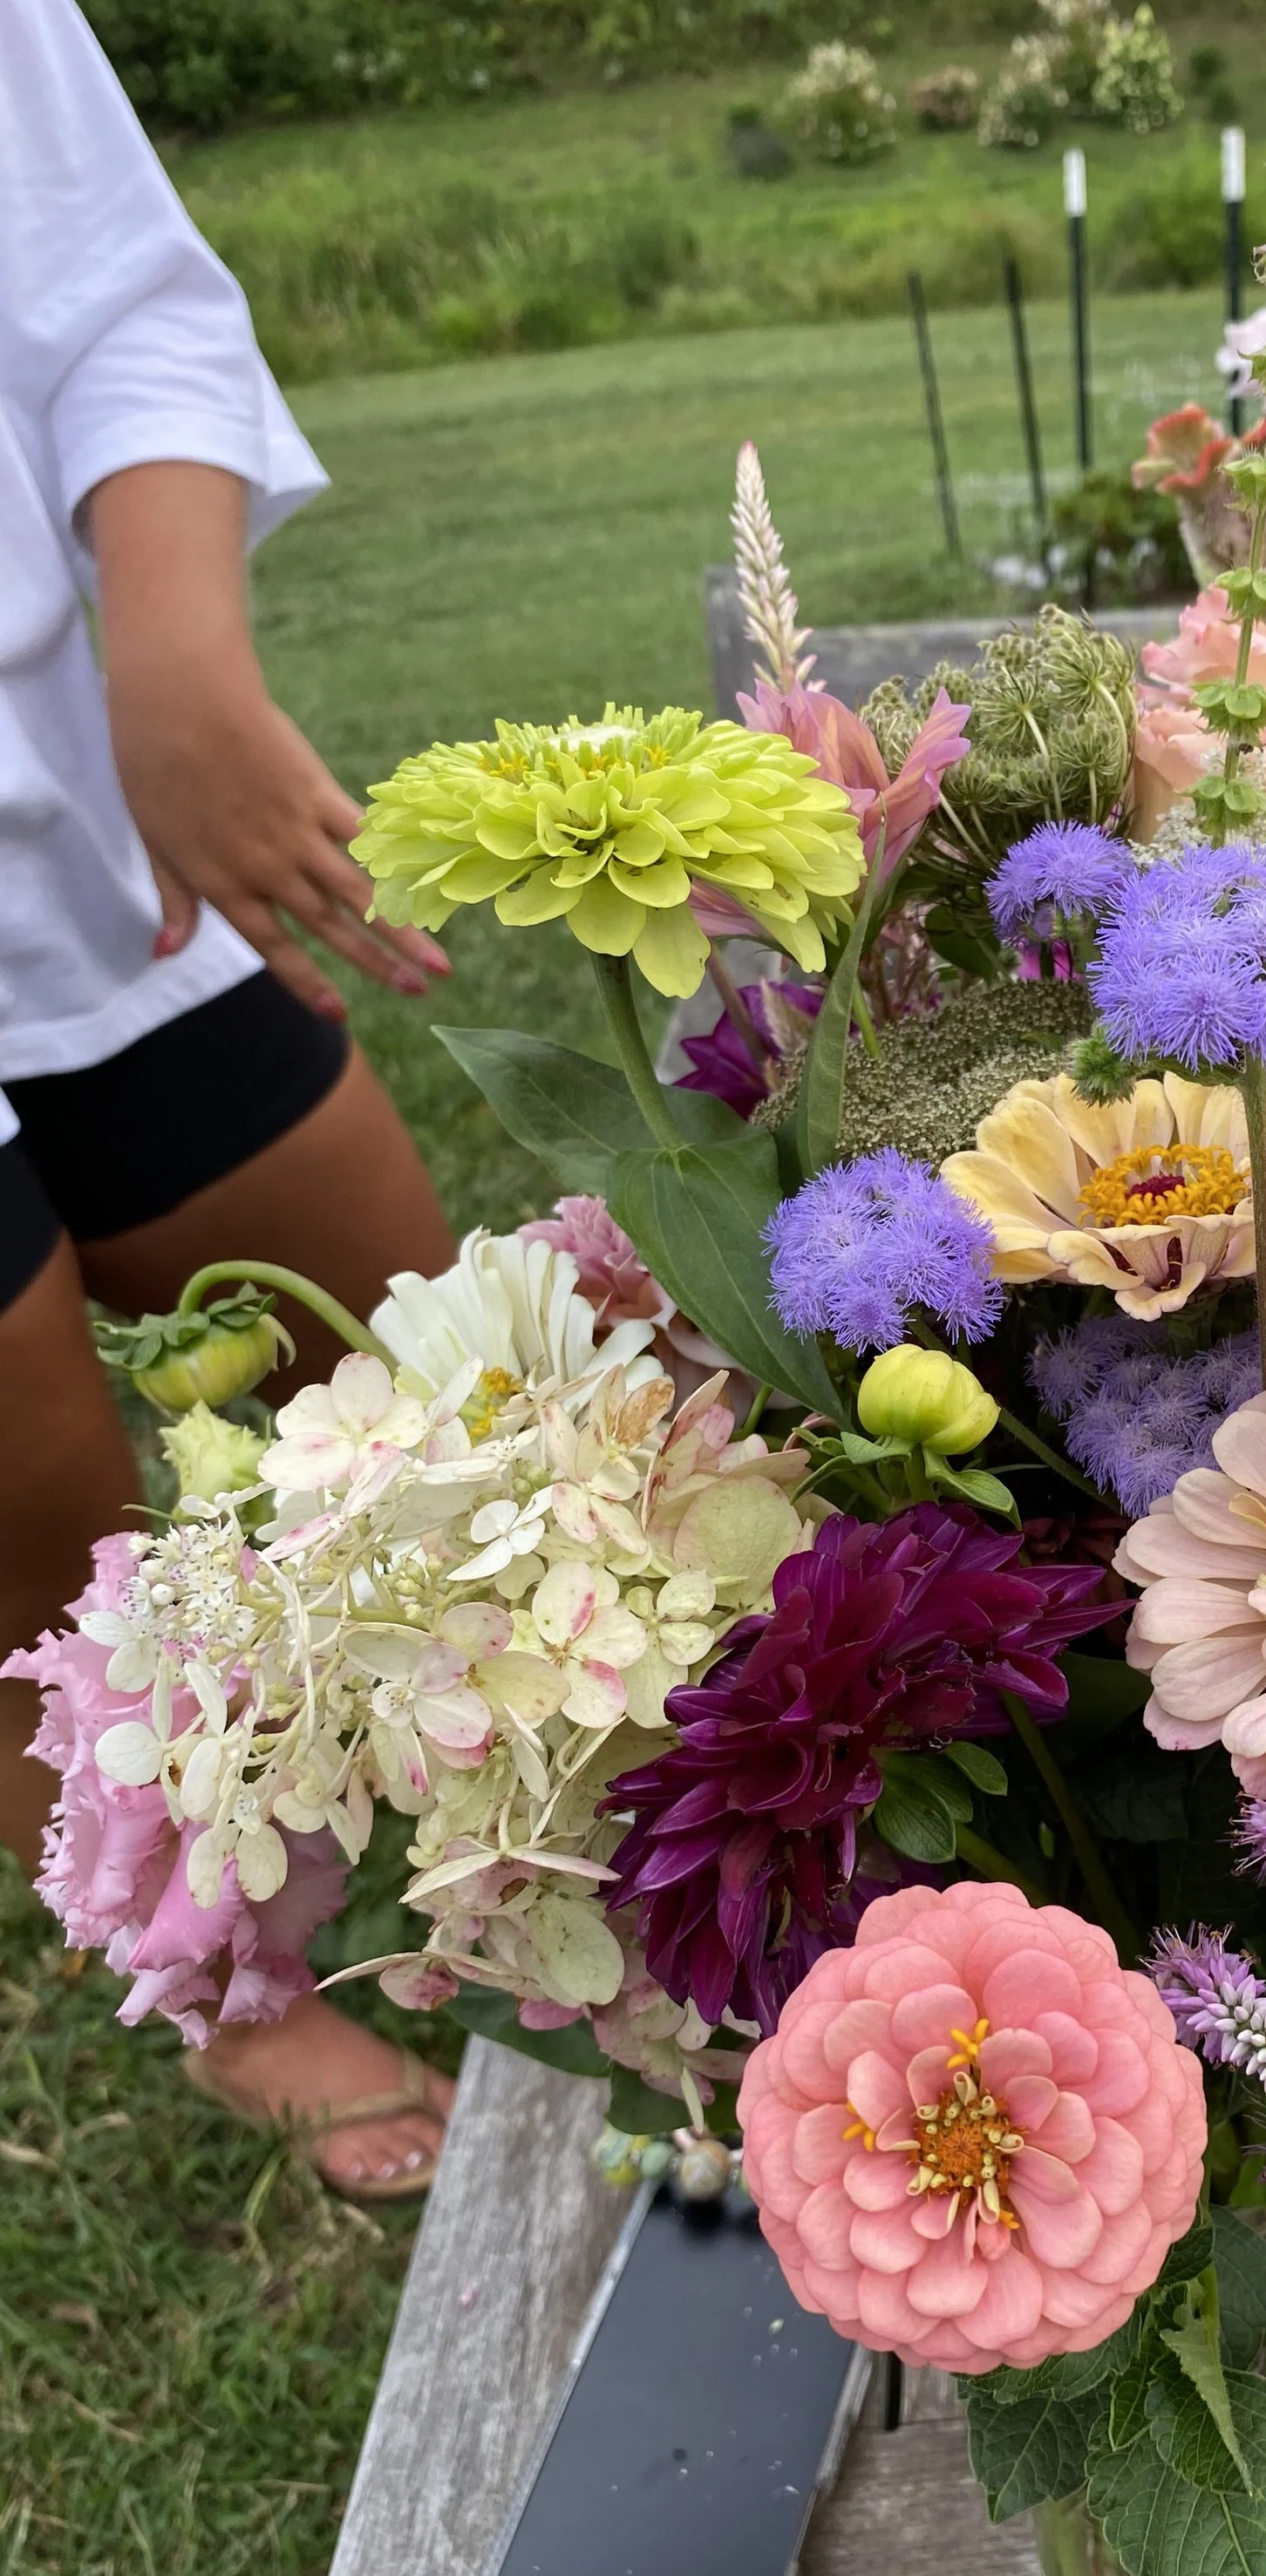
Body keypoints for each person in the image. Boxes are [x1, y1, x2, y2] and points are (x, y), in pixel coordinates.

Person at [1, 0, 463, 2196]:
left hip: (70, 823)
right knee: (30, 1469)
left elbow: (115, 300)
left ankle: (512, 1787)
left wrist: (176, 659)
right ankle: (203, 1961)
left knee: (403, 1349)